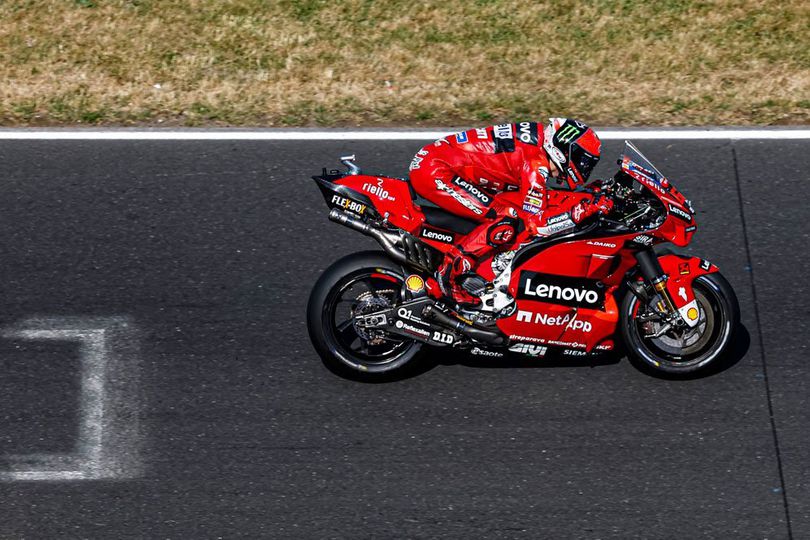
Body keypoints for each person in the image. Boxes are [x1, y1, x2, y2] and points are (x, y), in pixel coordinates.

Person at [408, 118, 612, 303]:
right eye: (583, 161)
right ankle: (448, 275)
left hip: (440, 162)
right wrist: (582, 210)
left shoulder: (540, 141)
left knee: (512, 207)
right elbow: (538, 226)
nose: (584, 168)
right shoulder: (536, 162)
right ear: (564, 151)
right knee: (506, 218)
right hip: (436, 170)